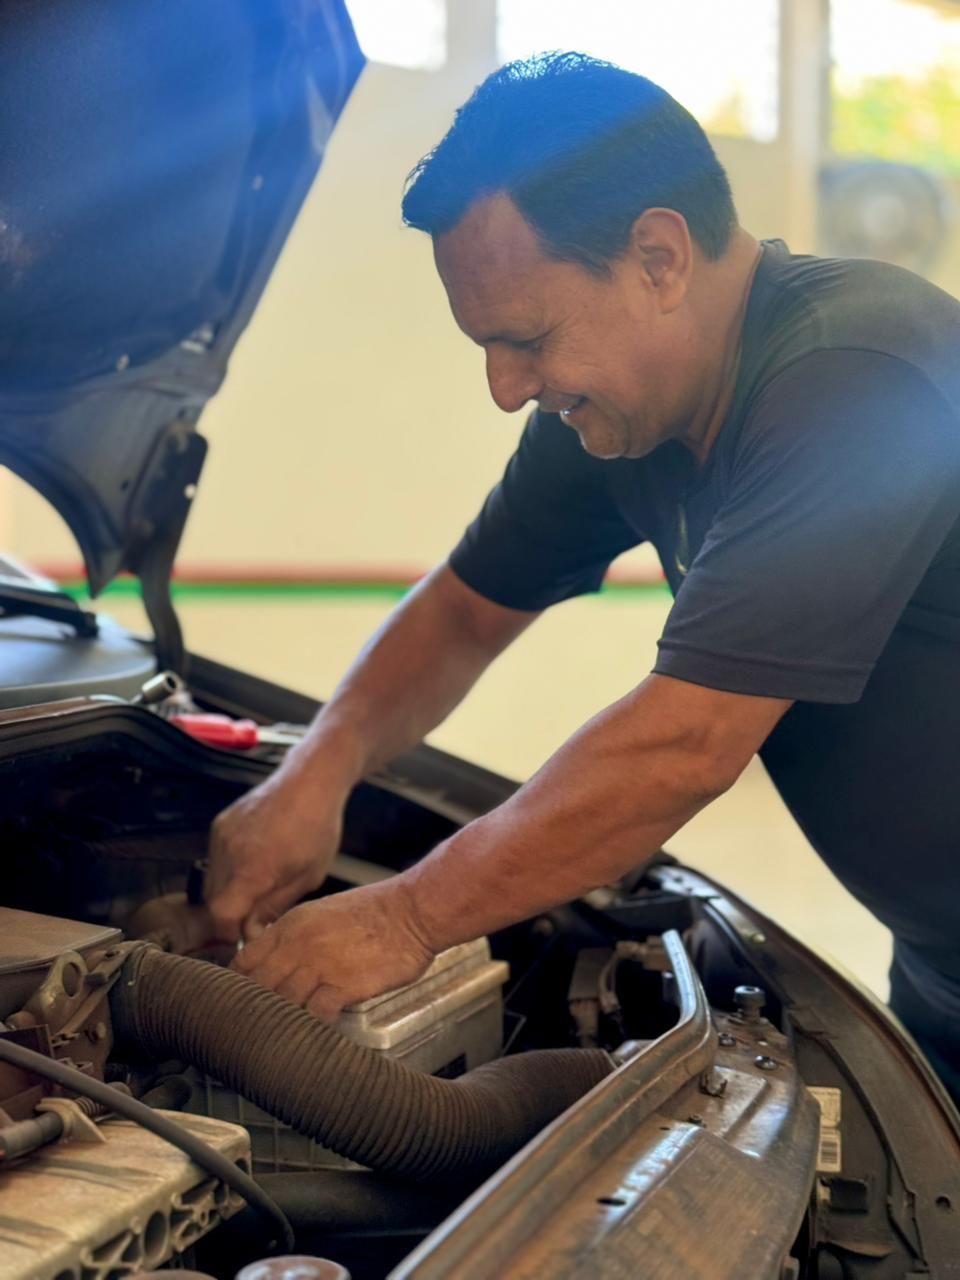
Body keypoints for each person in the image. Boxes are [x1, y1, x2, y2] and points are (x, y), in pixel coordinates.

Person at [205, 52, 960, 1101]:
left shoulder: (861, 372)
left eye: (526, 340)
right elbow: (464, 613)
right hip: (937, 969)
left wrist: (405, 917)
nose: (505, 388)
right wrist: (315, 771)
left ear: (659, 257)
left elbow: (690, 739)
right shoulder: (622, 417)